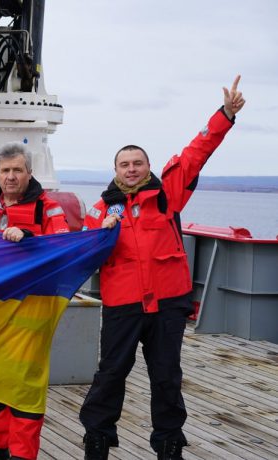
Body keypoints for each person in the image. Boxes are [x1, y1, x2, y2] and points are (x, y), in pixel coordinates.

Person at [78, 76, 245, 460]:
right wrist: (100, 235)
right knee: (110, 374)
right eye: (124, 164)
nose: (131, 169)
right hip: (123, 304)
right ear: (115, 170)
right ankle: (97, 440)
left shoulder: (168, 193)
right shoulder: (100, 210)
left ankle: (169, 445)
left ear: (148, 166)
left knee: (166, 376)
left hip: (168, 303)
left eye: (137, 163)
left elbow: (196, 152)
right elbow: (84, 254)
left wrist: (225, 114)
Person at [0, 142, 69, 460]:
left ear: (29, 173)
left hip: (30, 308)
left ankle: (22, 453)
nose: (11, 176)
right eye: (5, 170)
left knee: (24, 382)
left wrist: (30, 239)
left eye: (17, 170)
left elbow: (63, 244)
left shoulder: (47, 207)